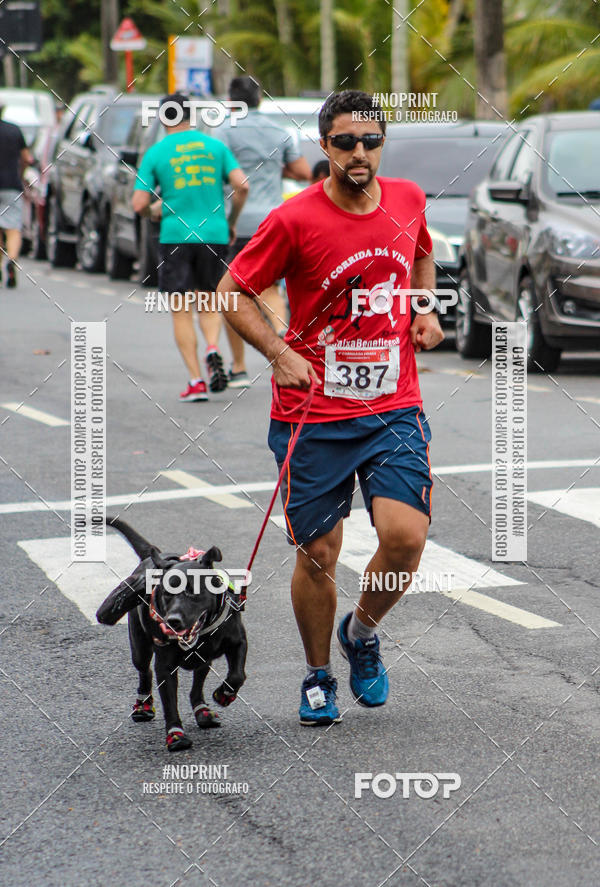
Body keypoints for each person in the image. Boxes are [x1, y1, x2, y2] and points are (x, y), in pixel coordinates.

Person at [218, 90, 443, 726]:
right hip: (311, 415)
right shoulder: (295, 219)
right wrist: (281, 355)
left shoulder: (407, 199)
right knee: (319, 553)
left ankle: (362, 635)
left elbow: (421, 252)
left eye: (370, 140)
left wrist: (423, 312)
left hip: (393, 407)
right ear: (325, 147)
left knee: (405, 539)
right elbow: (232, 293)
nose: (359, 152)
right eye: (345, 142)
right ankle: (317, 677)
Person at [132, 93, 249, 402]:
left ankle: (196, 381)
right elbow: (242, 185)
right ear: (191, 117)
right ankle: (213, 347)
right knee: (209, 301)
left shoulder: (156, 153)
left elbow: (139, 203)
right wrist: (232, 220)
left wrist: (154, 211)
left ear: (163, 118)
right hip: (214, 233)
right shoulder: (216, 147)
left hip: (175, 236)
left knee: (181, 310)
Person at [215, 76, 311, 387]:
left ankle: (239, 368)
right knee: (270, 287)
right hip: (273, 220)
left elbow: (218, 172)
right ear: (260, 100)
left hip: (236, 222)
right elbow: (303, 172)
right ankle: (283, 331)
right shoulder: (279, 132)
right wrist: (272, 166)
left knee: (232, 292)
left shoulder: (223, 131)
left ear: (231, 102)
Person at [0, 106, 33, 288]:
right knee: (13, 227)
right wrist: (21, 175)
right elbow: (27, 158)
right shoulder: (14, 131)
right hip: (11, 185)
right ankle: (12, 259)